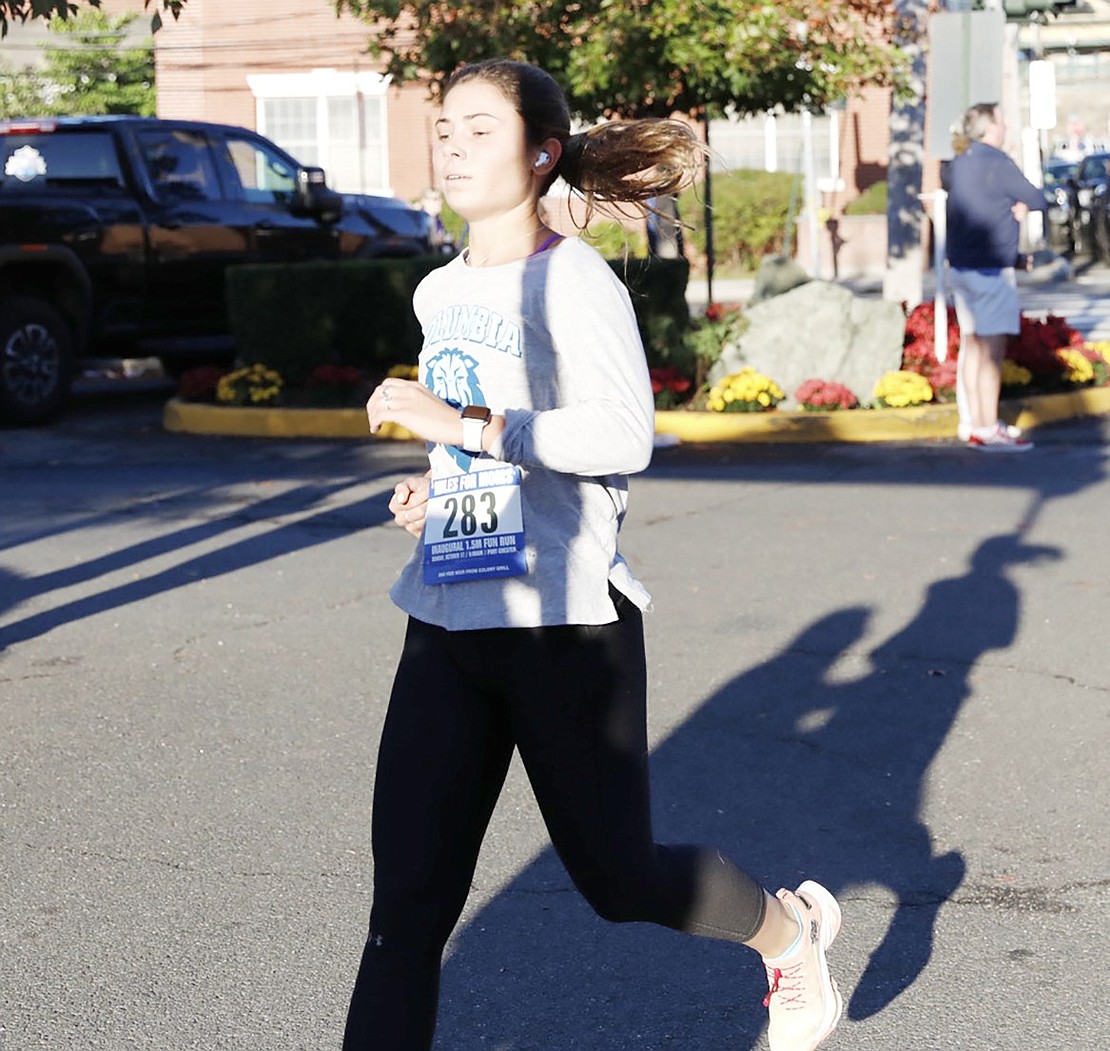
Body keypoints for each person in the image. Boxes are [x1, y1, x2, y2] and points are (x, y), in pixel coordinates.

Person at [345, 58, 843, 1051]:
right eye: (445, 126)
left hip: (567, 628)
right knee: (402, 913)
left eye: (481, 129)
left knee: (620, 881)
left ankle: (791, 934)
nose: (453, 144)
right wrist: (442, 491)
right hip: (450, 612)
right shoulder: (441, 288)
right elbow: (487, 453)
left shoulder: (573, 281)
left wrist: (467, 424)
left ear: (541, 153)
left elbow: (623, 440)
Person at [944, 102, 1046, 452]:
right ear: (990, 127)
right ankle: (988, 430)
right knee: (992, 351)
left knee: (973, 346)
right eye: (1002, 122)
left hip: (962, 269)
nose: (1005, 128)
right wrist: (1019, 206)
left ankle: (976, 423)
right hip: (990, 272)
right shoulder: (996, 162)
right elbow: (1037, 197)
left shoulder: (959, 164)